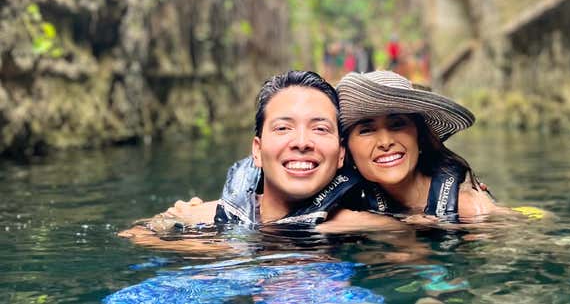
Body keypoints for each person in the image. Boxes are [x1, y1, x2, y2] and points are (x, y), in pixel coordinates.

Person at [120, 71, 397, 246]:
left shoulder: (366, 226)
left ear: (340, 156)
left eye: (320, 128)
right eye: (283, 127)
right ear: (257, 150)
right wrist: (215, 251)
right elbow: (137, 234)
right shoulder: (207, 215)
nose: (302, 142)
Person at [336, 70, 500, 222]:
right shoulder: (346, 208)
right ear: (346, 150)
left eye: (397, 124)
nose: (385, 142)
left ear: (420, 136)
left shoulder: (469, 207)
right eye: (366, 130)